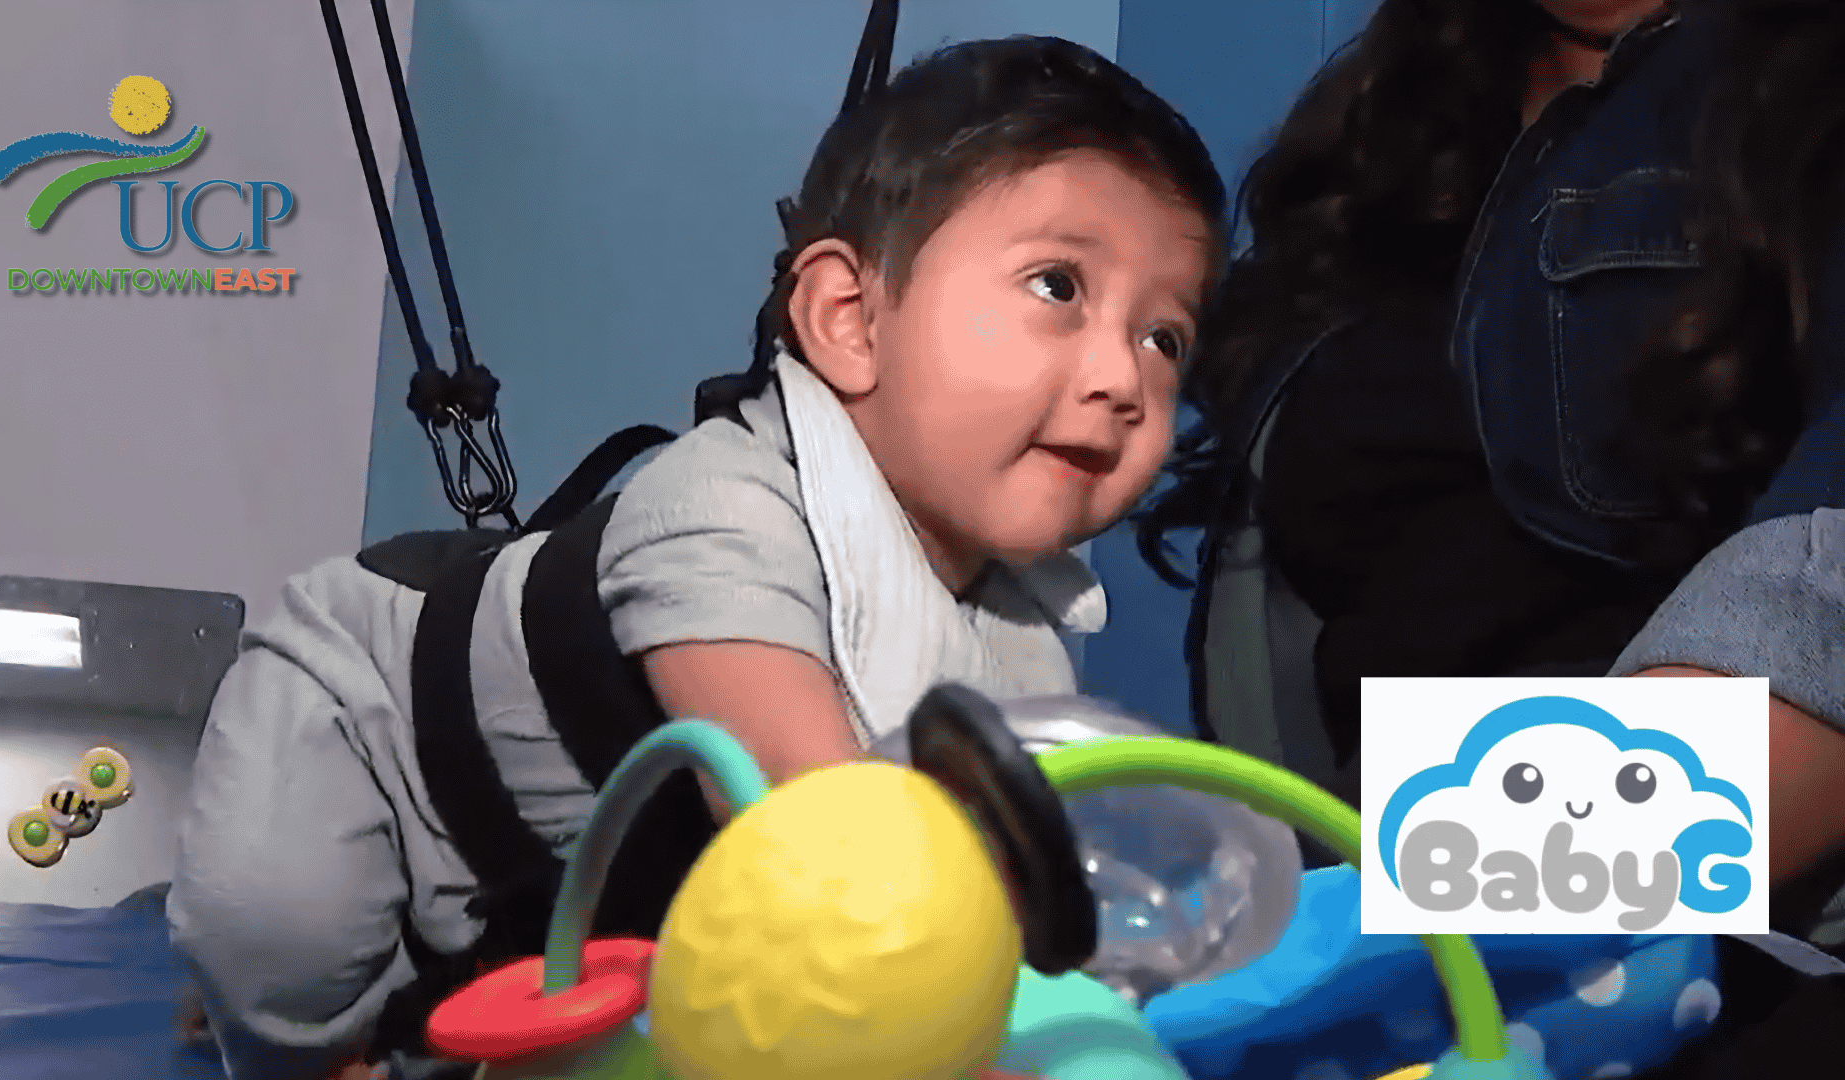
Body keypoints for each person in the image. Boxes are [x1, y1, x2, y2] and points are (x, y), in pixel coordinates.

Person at [169, 33, 1226, 1080]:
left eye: (1162, 338)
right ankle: (292, 1043)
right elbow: (819, 836)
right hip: (369, 727)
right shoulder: (722, 508)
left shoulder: (1022, 630)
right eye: (1057, 286)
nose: (1122, 379)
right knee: (279, 919)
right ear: (849, 319)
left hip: (570, 870)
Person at [1137, 0, 1845, 932]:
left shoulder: (1811, 94)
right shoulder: (1392, 124)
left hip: (1663, 949)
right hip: (1368, 899)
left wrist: (1426, 907)